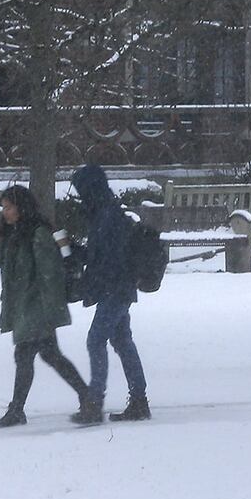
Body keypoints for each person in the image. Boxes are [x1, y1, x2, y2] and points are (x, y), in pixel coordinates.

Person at [0, 184, 98, 427]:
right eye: (3, 208)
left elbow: (49, 275)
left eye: (9, 207)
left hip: (36, 307)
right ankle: (86, 397)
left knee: (25, 354)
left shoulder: (37, 234)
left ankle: (17, 410)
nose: (5, 212)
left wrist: (50, 311)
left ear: (21, 207)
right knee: (51, 355)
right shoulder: (16, 234)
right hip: (26, 306)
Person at [72, 164, 150, 423]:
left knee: (96, 340)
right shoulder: (105, 213)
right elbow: (103, 256)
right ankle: (139, 400)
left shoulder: (107, 217)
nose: (79, 195)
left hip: (114, 289)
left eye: (82, 189)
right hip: (118, 288)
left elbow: (108, 259)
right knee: (122, 341)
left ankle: (95, 402)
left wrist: (89, 276)